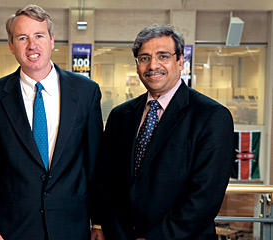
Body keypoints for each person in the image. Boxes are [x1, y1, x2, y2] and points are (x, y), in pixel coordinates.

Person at [0, 4, 103, 240]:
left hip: (72, 227)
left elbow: (95, 164)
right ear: (11, 46)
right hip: (11, 230)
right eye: (22, 38)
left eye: (39, 36)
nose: (32, 45)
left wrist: (100, 222)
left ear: (52, 40)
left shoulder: (86, 92)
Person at [92, 24, 234, 240]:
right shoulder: (120, 116)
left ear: (180, 61)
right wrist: (107, 226)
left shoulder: (211, 116)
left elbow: (205, 196)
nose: (153, 65)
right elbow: (106, 179)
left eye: (163, 56)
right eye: (144, 58)